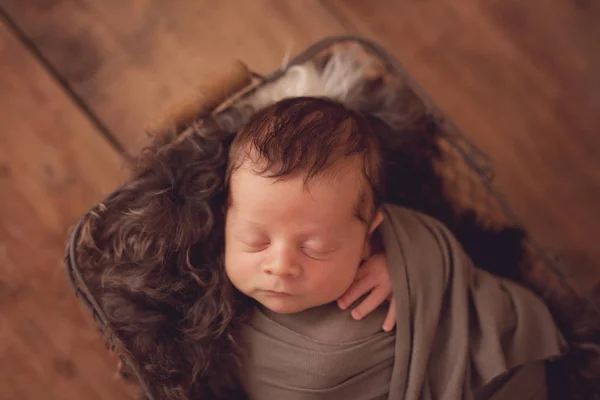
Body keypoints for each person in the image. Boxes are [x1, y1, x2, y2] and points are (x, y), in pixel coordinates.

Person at [223, 96, 566, 399]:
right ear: (226, 218)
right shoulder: (208, 300)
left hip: (496, 374)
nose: (281, 265)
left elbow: (435, 248)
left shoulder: (395, 240)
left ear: (367, 237)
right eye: (257, 241)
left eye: (316, 247)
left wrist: (406, 267)